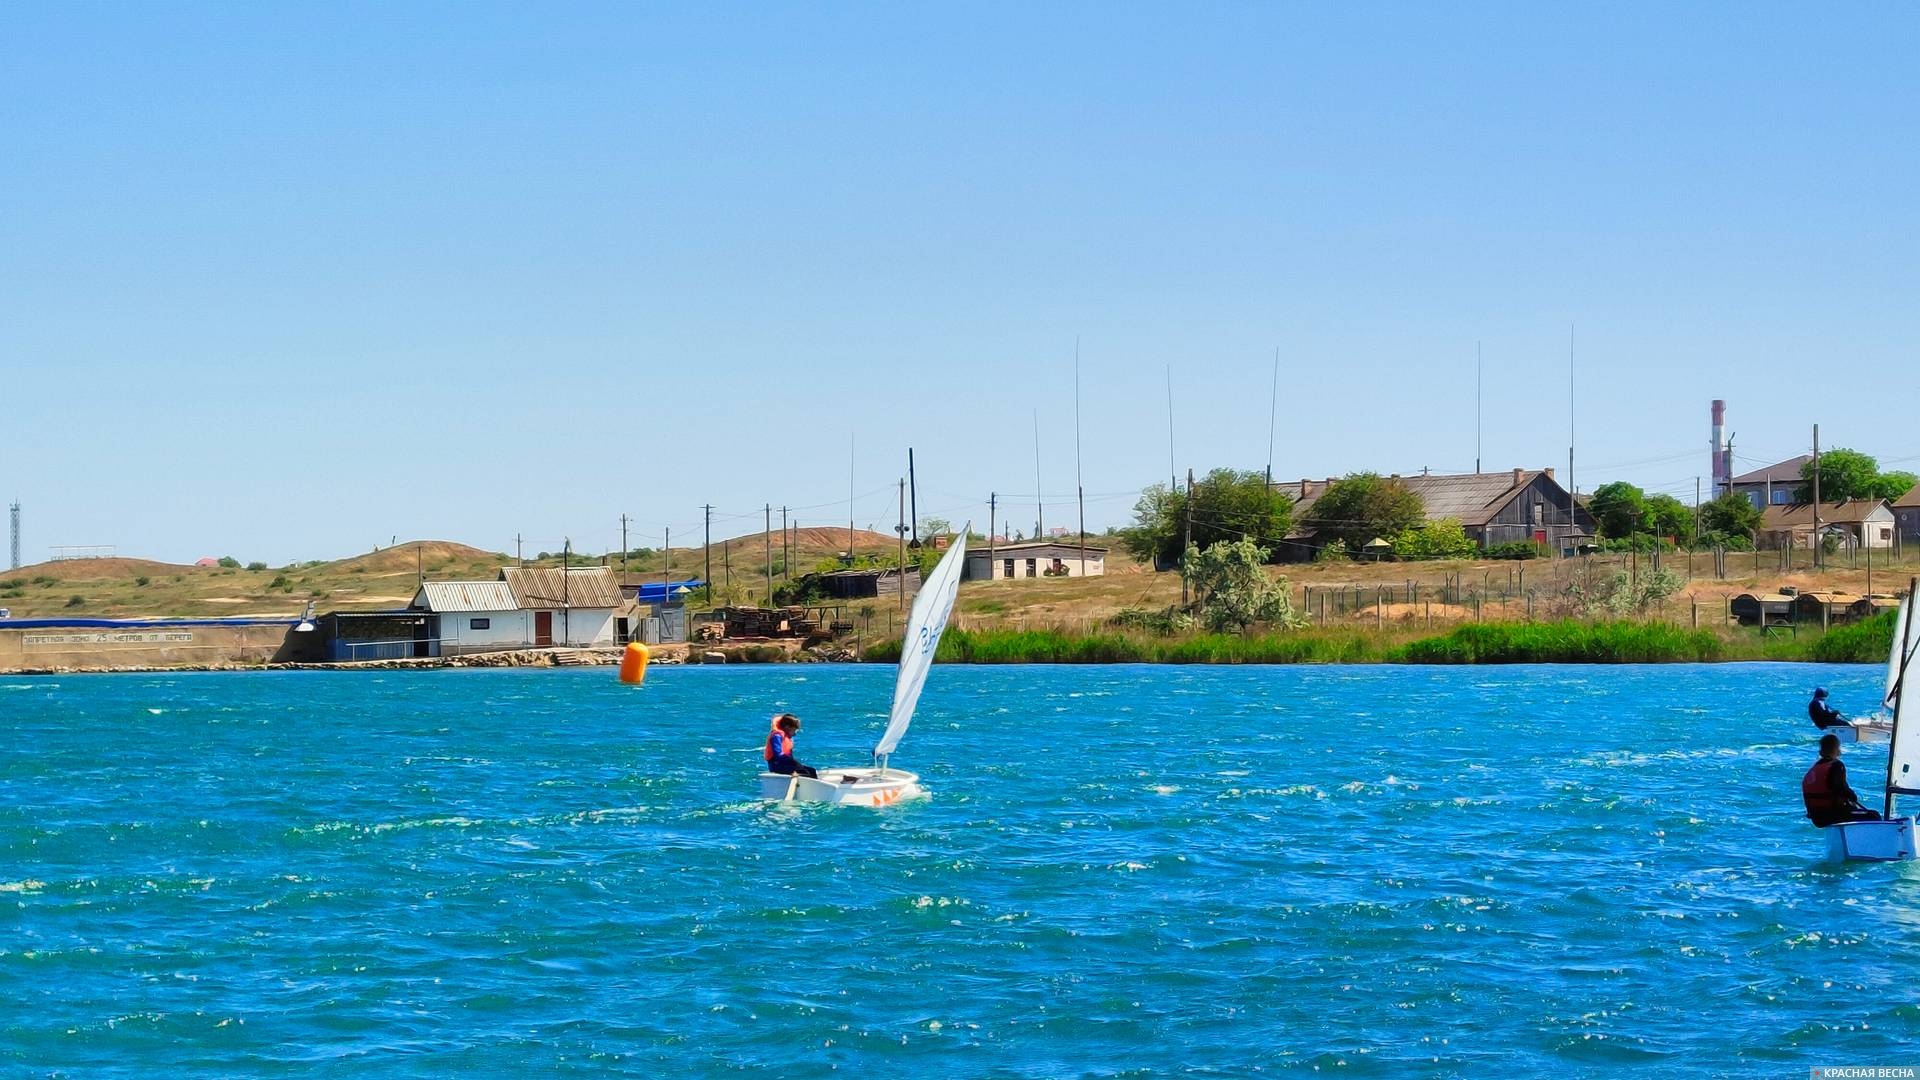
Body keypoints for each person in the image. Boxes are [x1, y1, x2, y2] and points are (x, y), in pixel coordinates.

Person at [1803, 733, 1882, 827]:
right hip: (1833, 813)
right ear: (1836, 749)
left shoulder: (1813, 770)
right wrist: (1852, 796)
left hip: (1817, 818)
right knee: (1873, 816)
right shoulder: (1836, 766)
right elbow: (1840, 788)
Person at [763, 713, 817, 779]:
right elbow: (778, 755)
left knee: (812, 771)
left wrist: (795, 765)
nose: (795, 733)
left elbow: (789, 756)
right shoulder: (776, 736)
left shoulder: (787, 738)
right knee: (806, 773)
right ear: (787, 727)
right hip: (776, 766)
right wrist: (794, 763)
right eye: (794, 730)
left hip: (785, 765)